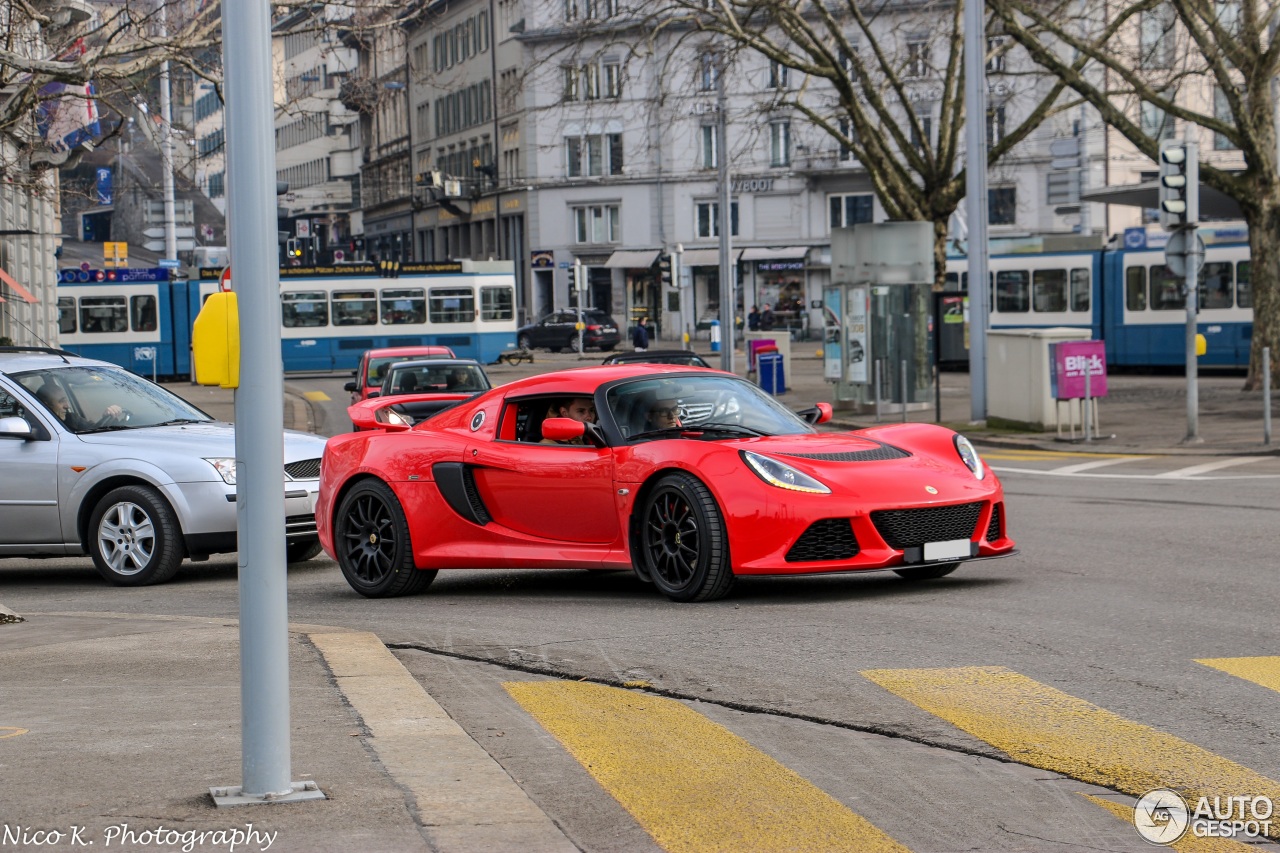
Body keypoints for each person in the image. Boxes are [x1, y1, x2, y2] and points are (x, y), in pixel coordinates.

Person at [36, 383, 125, 432]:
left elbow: (94, 430)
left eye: (66, 400)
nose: (67, 406)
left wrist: (109, 415)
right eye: (61, 401)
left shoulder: (72, 418)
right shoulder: (35, 429)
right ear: (46, 405)